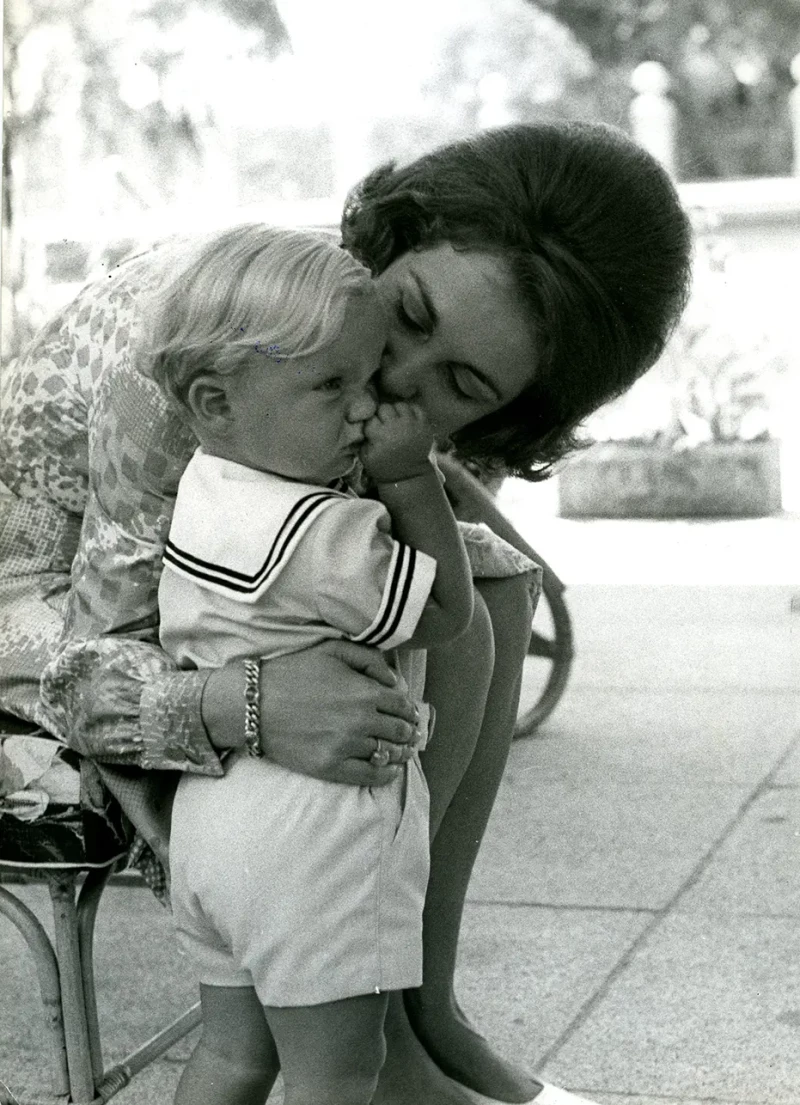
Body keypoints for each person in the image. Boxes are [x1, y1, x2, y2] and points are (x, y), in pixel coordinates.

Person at [0, 121, 692, 1105]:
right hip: (40, 586)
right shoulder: (215, 345)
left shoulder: (375, 381)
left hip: (198, 580)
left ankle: (416, 1007)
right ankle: (372, 1048)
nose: (393, 381)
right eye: (407, 313)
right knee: (404, 623)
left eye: (458, 382)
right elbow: (94, 669)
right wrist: (250, 705)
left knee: (486, 587)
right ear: (387, 238)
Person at [150, 224, 492, 1104]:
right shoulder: (326, 534)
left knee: (233, 1057)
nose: (365, 408)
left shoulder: (205, 487)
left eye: (368, 375)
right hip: (316, 836)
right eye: (332, 384)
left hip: (215, 822)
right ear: (215, 400)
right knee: (339, 1073)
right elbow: (449, 615)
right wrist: (413, 478)